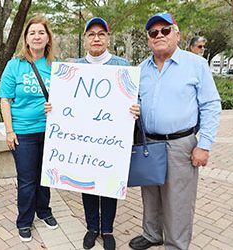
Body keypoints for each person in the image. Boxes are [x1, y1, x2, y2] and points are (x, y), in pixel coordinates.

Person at [129, 12, 221, 250]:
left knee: (178, 200)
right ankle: (151, 234)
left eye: (165, 30)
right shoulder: (141, 69)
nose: (159, 35)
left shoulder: (196, 65)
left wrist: (204, 144)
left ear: (177, 35)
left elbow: (211, 104)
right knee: (150, 193)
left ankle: (176, 245)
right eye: (153, 32)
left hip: (181, 144)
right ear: (149, 39)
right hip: (149, 142)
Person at [77, 17, 139, 250]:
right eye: (91, 34)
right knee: (87, 184)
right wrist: (53, 108)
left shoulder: (123, 66)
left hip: (113, 140)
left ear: (108, 38)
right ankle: (92, 228)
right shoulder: (75, 67)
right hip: (83, 139)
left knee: (110, 184)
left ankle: (108, 229)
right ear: (85, 39)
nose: (96, 38)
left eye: (101, 34)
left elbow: (135, 98)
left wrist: (135, 107)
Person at [0, 15, 58, 242]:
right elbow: (5, 99)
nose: (37, 36)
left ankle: (44, 212)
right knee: (27, 179)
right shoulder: (15, 65)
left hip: (51, 131)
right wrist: (10, 131)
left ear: (47, 37)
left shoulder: (55, 66)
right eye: (32, 32)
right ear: (26, 38)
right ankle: (24, 221)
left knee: (46, 176)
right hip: (23, 131)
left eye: (41, 32)